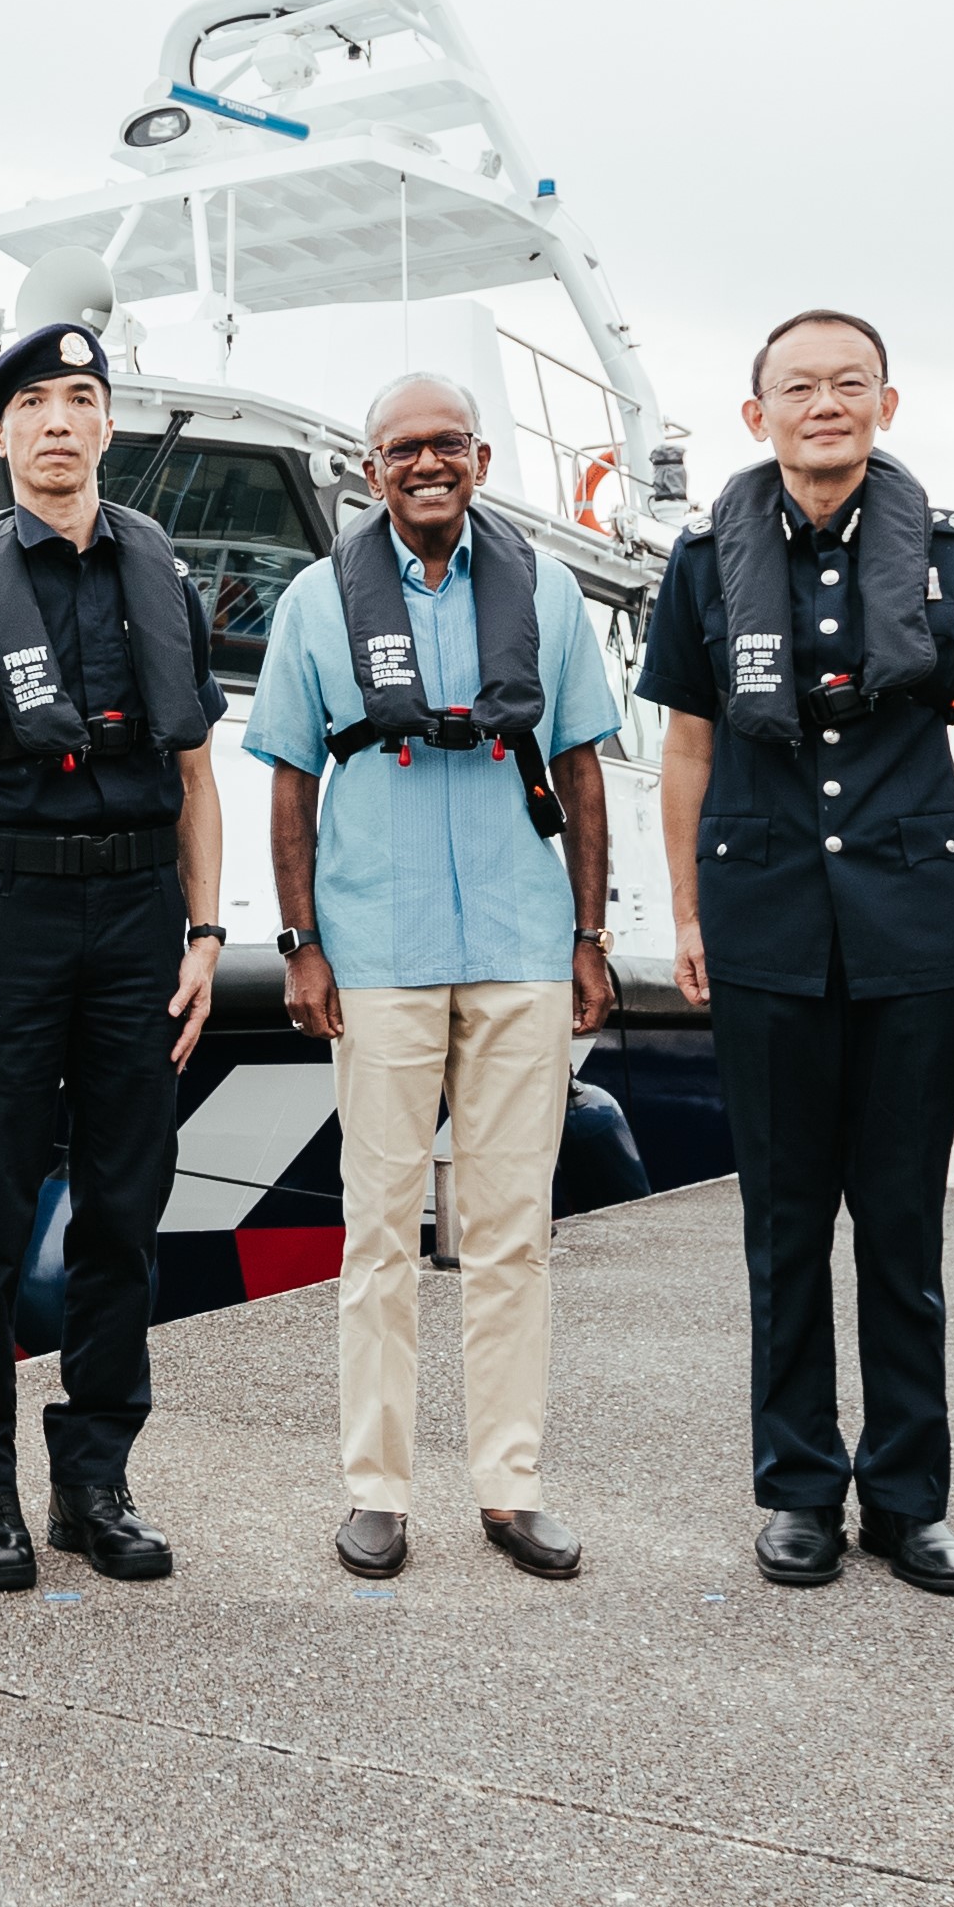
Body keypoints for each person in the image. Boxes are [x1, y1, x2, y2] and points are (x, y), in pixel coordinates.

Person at [641, 310, 954, 1597]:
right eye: (796, 387)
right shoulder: (704, 559)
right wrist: (689, 917)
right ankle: (798, 1492)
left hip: (911, 926)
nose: (824, 404)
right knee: (780, 1226)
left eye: (849, 384)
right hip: (763, 919)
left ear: (888, 404)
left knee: (900, 1227)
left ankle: (910, 1497)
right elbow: (691, 751)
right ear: (753, 414)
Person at [252, 373, 619, 1583]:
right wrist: (301, 942)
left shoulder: (549, 592)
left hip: (518, 944)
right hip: (380, 951)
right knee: (377, 1234)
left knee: (515, 1233)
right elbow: (292, 779)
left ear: (481, 455)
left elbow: (576, 767)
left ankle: (510, 1487)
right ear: (370, 469)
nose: (425, 463)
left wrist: (587, 939)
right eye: (401, 448)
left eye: (446, 444)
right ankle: (376, 1489)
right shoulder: (316, 603)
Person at [0, 305, 230, 1591]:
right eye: (31, 406)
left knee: (124, 1211)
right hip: (12, 919)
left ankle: (96, 1477)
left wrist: (206, 933)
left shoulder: (167, 580)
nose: (56, 423)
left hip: (143, 919)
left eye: (78, 404)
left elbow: (194, 775)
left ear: (105, 423)